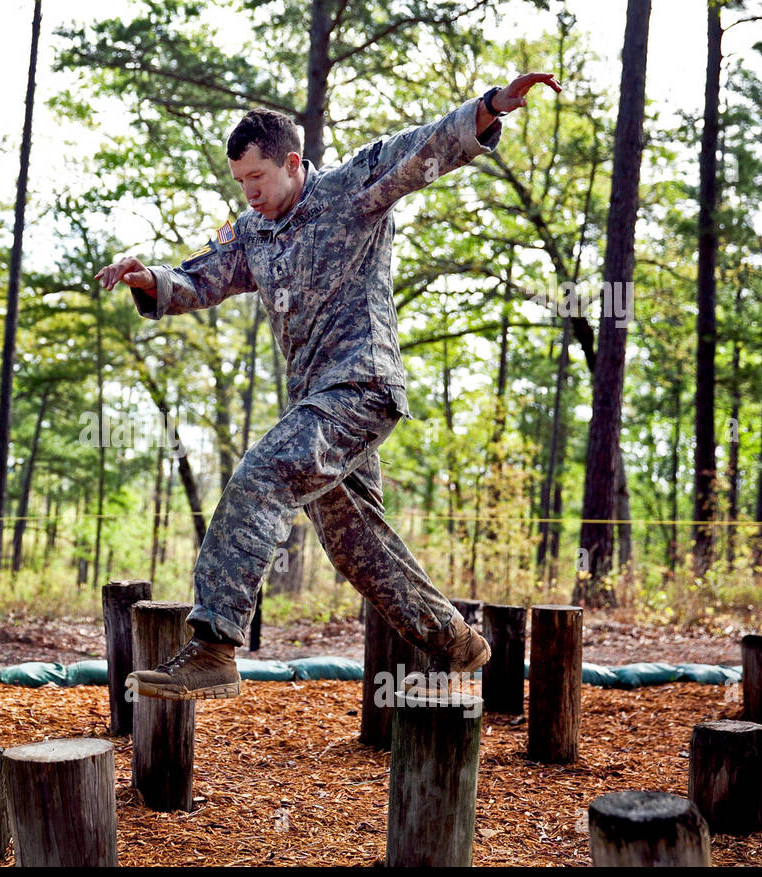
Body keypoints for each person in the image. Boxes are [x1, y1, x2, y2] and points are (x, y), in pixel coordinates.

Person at [96, 75, 563, 701]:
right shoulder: (252, 231)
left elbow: (421, 150)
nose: (249, 194)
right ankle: (454, 638)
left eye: (257, 179)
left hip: (362, 387)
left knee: (262, 473)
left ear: (292, 163)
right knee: (354, 544)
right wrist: (147, 277)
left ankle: (213, 645)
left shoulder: (350, 190)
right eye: (239, 183)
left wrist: (488, 108)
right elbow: (198, 278)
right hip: (315, 404)